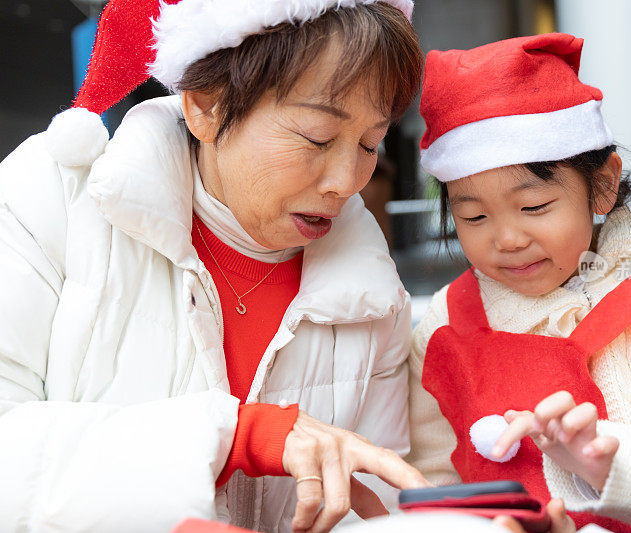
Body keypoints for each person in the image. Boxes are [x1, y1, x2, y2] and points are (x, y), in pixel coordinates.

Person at [0, 0, 428, 531]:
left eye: (370, 143)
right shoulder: (52, 204)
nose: (346, 179)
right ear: (207, 106)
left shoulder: (372, 298)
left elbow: (371, 508)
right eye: (317, 137)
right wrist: (239, 436)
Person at [405, 33, 631, 532]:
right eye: (474, 217)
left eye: (534, 207)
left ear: (602, 186)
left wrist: (611, 463)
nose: (507, 238)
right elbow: (429, 478)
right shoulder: (443, 325)